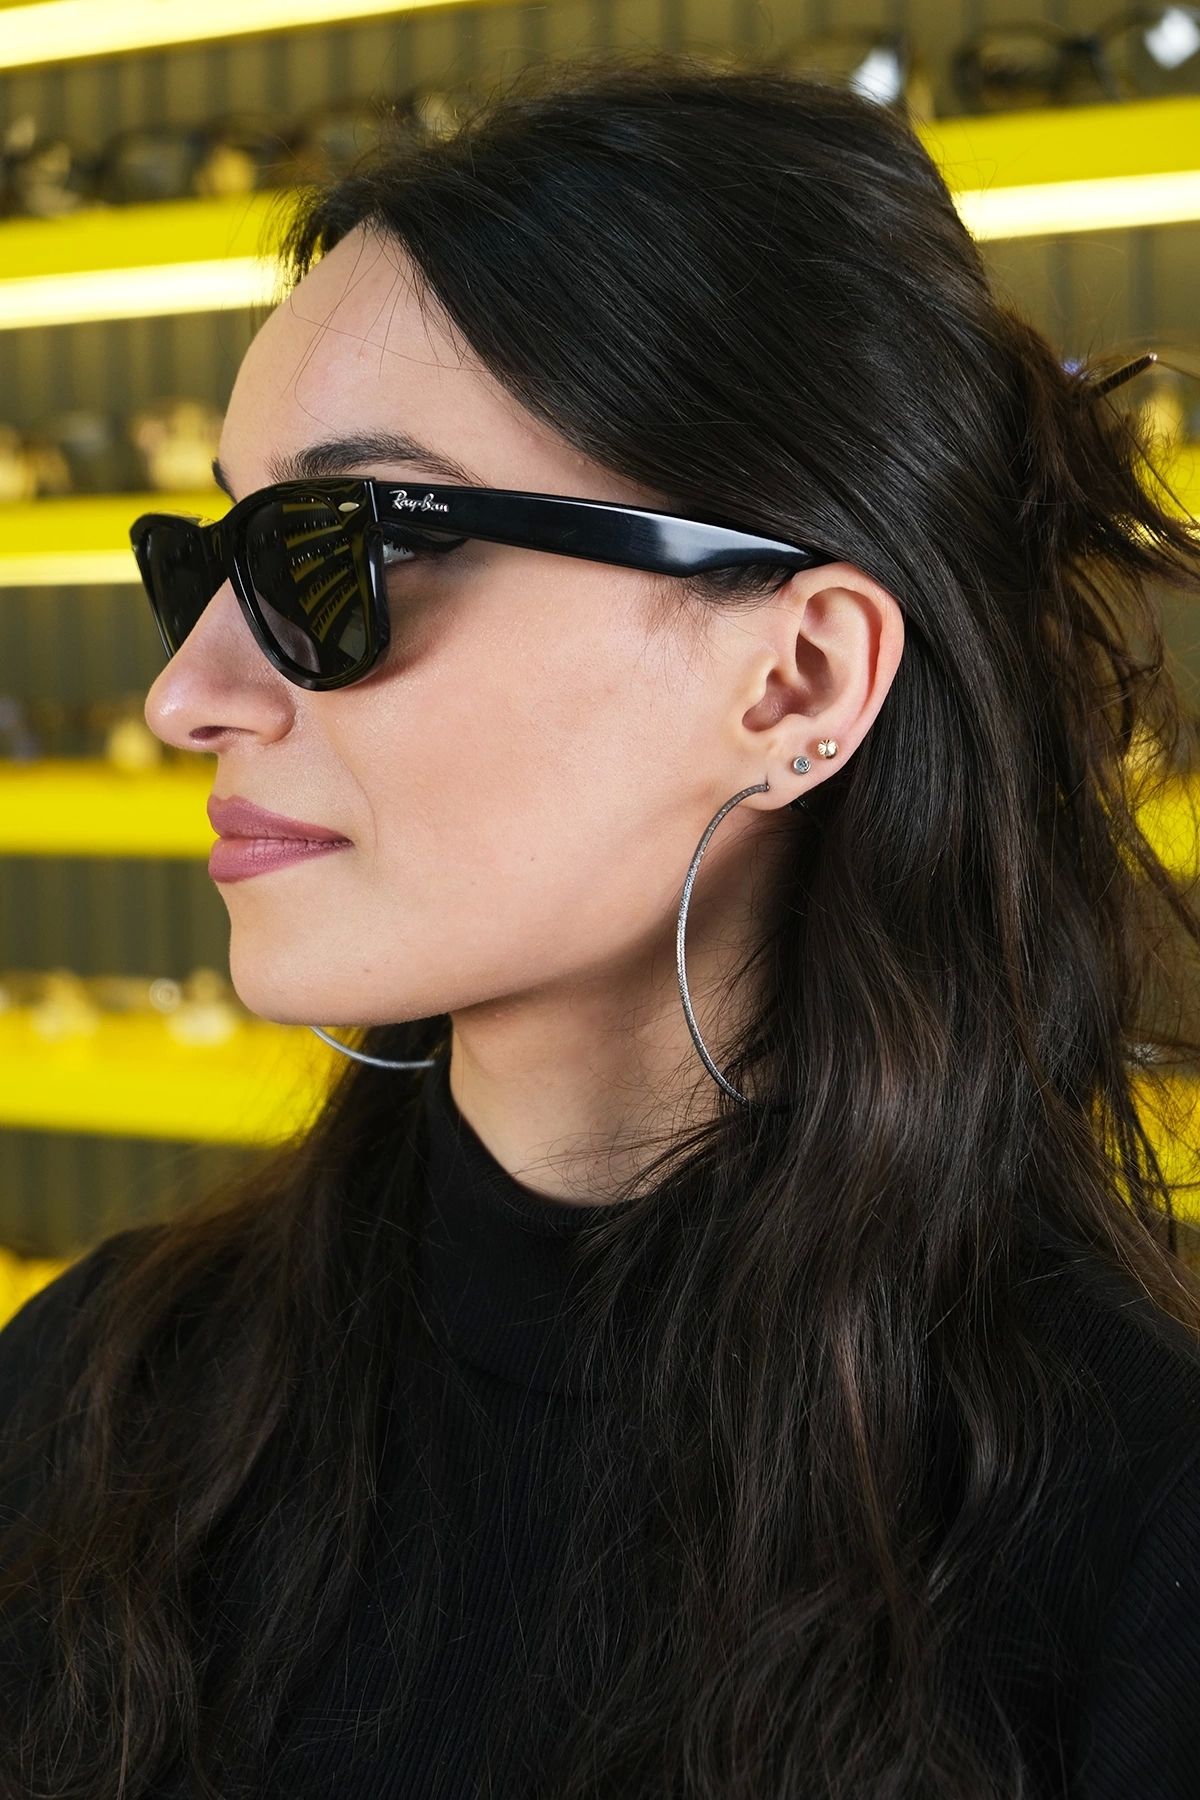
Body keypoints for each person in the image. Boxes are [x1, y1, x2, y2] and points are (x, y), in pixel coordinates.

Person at [3, 49, 1200, 1800]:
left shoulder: (1136, 1556)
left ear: (796, 681)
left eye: (341, 554)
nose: (189, 693)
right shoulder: (94, 1401)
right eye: (216, 566)